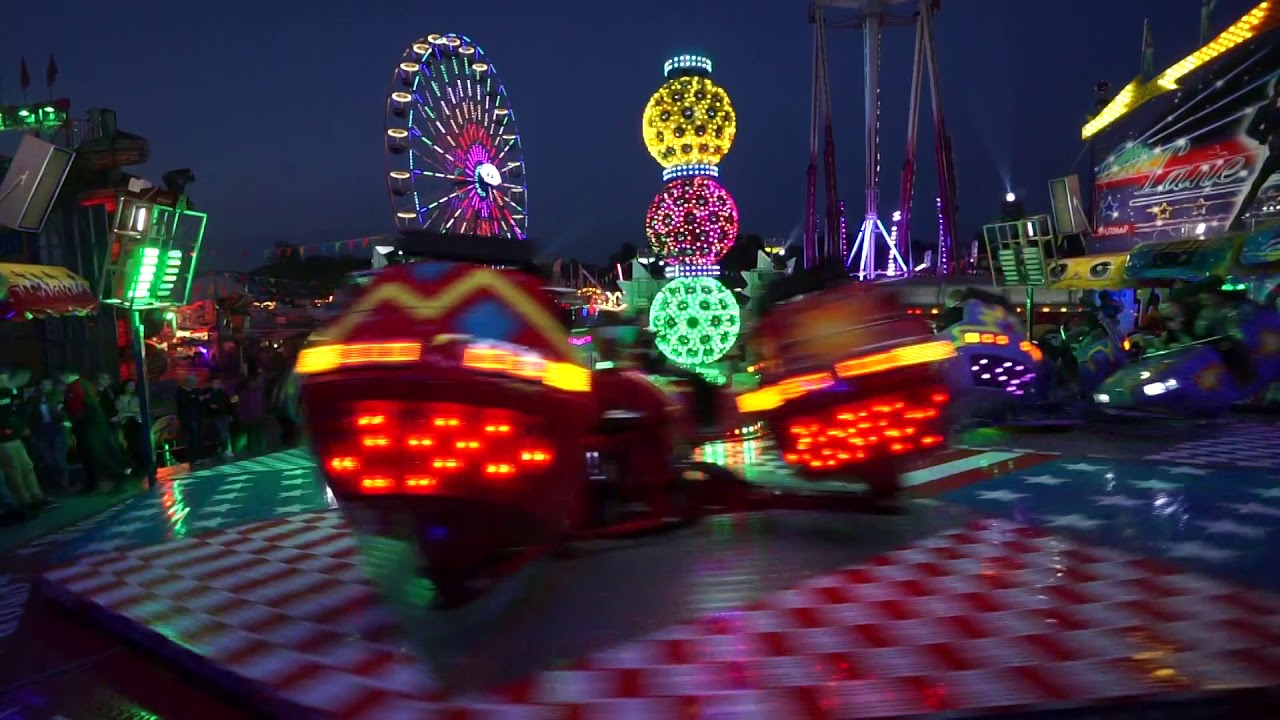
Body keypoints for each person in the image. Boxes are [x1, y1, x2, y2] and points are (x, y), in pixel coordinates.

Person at [64, 370, 130, 493]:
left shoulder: (76, 388)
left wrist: (72, 422)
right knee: (100, 454)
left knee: (94, 456)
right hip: (97, 427)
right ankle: (111, 478)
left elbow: (79, 411)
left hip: (89, 429)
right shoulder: (86, 387)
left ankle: (107, 479)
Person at [1230, 80, 1280, 231]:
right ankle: (1236, 221)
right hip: (1276, 152)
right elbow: (1251, 130)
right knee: (1256, 185)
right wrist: (1266, 137)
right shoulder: (1267, 108)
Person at [0, 369, 47, 511]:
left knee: (26, 467)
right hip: (4, 440)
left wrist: (21, 428)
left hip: (15, 438)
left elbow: (18, 413)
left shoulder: (12, 393)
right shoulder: (6, 395)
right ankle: (24, 501)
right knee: (13, 472)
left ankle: (37, 497)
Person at [30, 376, 72, 495]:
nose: (45, 387)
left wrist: (67, 429)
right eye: (43, 384)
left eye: (48, 384)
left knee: (60, 458)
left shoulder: (58, 396)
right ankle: (54, 484)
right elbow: (32, 416)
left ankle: (63, 484)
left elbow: (63, 414)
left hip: (57, 429)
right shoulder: (34, 399)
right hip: (42, 431)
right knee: (48, 460)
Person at [115, 380, 147, 476]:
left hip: (136, 423)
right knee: (130, 444)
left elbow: (138, 410)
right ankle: (133, 465)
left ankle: (140, 465)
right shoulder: (120, 398)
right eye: (130, 385)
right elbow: (120, 411)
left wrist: (129, 413)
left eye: (133, 385)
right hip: (126, 423)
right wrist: (131, 413)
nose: (132, 387)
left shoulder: (136, 398)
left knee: (138, 443)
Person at [176, 375, 208, 465]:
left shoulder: (196, 391)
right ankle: (192, 458)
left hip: (197, 417)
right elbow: (184, 403)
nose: (195, 384)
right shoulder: (181, 391)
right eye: (194, 382)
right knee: (192, 437)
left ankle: (200, 456)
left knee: (199, 436)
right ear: (189, 382)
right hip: (188, 418)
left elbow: (199, 402)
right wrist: (195, 398)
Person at [236, 372, 269, 457]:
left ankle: (258, 452)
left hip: (257, 418)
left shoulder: (258, 393)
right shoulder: (245, 394)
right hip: (250, 419)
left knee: (257, 436)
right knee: (253, 436)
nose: (253, 384)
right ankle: (255, 452)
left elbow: (263, 405)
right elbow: (241, 407)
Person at [205, 377, 235, 461]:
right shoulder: (208, 393)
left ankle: (224, 450)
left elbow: (228, 403)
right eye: (215, 382)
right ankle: (221, 450)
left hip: (223, 415)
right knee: (219, 434)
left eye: (218, 382)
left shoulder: (222, 392)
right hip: (214, 416)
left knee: (224, 433)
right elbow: (206, 404)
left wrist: (230, 414)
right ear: (211, 383)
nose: (217, 384)